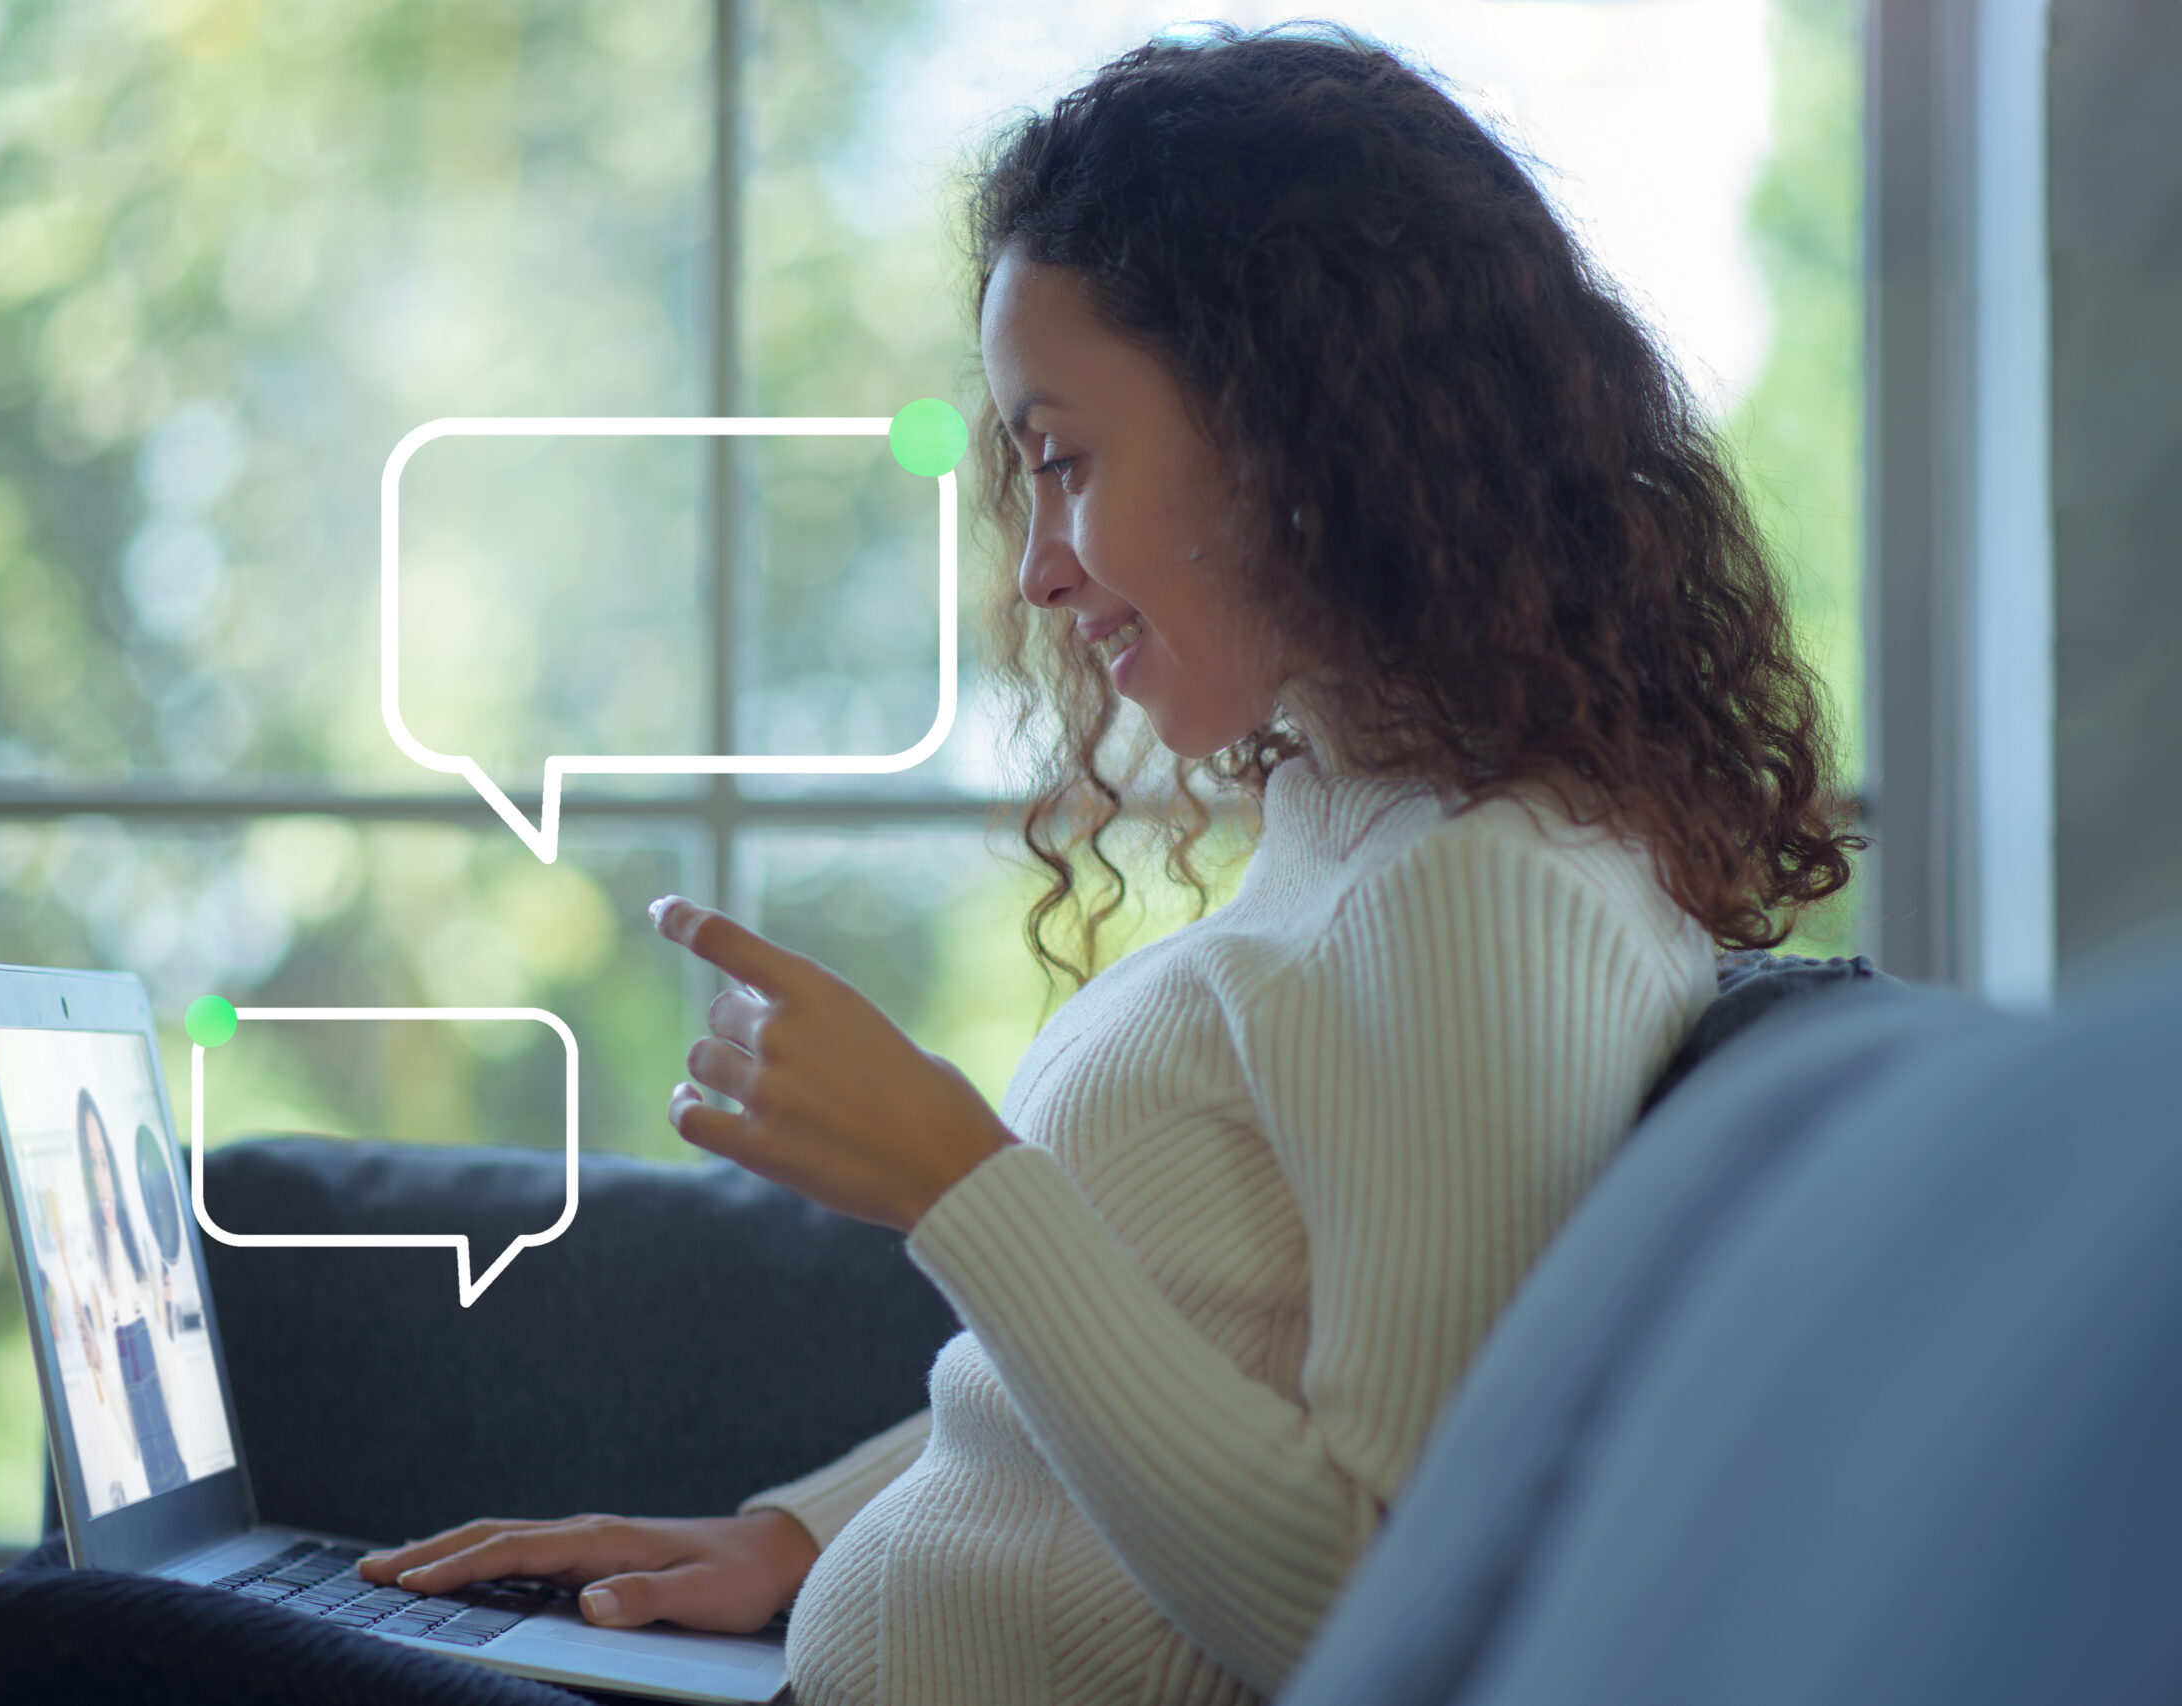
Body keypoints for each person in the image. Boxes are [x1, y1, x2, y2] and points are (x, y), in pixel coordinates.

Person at [353, 22, 1857, 1706]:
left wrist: (958, 1180)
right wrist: (799, 1534)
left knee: (45, 1644)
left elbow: (1387, 1616)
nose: (1041, 572)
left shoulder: (1478, 892)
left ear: (1295, 419)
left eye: (1061, 459)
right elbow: (1181, 1353)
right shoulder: (1354, 818)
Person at [77, 1084, 191, 1500]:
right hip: (122, 1352)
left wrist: (163, 1302)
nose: (102, 1179)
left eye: (105, 1163)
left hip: (145, 1339)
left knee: (169, 1449)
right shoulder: (88, 1252)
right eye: (93, 1167)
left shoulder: (137, 1236)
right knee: (150, 1459)